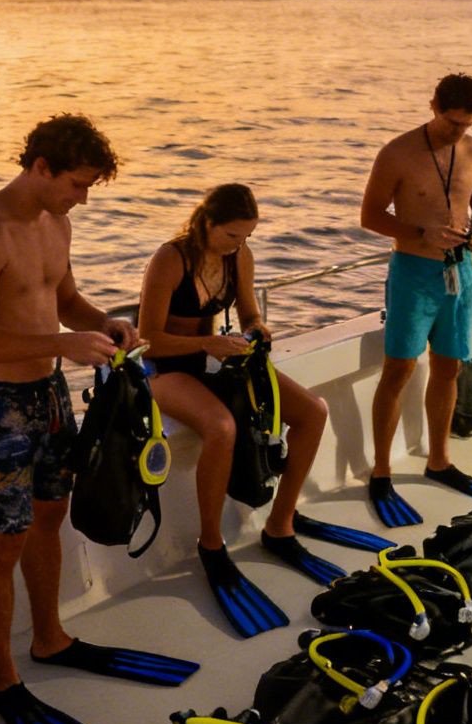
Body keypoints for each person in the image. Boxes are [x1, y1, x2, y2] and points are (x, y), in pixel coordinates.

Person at [0, 113, 197, 724]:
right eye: (77, 184)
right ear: (41, 168)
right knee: (3, 540)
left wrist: (105, 323)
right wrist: (60, 342)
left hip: (49, 392)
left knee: (51, 520)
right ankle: (2, 678)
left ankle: (50, 637)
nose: (83, 197)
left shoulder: (57, 222)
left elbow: (64, 300)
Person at [137, 183, 382, 639]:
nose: (239, 244)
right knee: (221, 427)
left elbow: (249, 312)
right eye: (232, 235)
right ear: (206, 223)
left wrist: (257, 328)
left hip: (220, 358)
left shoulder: (238, 257)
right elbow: (146, 337)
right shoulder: (170, 259)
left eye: (246, 236)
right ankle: (211, 543)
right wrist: (206, 343)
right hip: (164, 369)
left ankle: (280, 524)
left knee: (312, 411)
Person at [358, 73, 472, 526]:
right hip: (413, 274)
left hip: (460, 272)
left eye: (465, 124)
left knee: (449, 366)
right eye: (450, 122)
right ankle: (381, 470)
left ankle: (439, 460)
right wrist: (422, 232)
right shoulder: (397, 152)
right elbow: (369, 215)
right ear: (433, 106)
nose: (457, 131)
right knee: (399, 368)